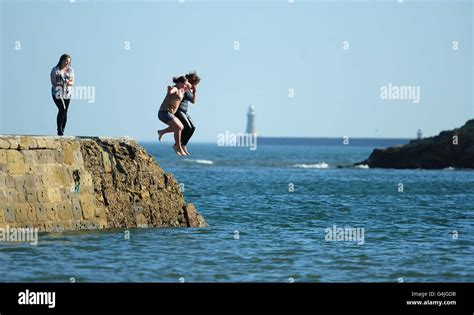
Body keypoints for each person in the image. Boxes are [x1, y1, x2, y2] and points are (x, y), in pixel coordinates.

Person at [157, 76, 189, 156]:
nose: (185, 86)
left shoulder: (181, 90)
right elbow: (170, 92)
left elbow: (188, 86)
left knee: (181, 127)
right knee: (178, 127)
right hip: (164, 112)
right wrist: (169, 90)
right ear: (180, 83)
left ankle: (161, 132)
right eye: (184, 84)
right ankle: (178, 147)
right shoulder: (175, 88)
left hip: (169, 114)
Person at [174, 71, 200, 156]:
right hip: (178, 110)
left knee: (193, 127)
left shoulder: (189, 90)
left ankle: (183, 145)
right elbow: (176, 83)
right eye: (196, 84)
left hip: (184, 111)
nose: (196, 86)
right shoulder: (183, 87)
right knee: (187, 127)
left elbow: (193, 101)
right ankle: (177, 145)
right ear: (191, 81)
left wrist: (194, 92)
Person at [50, 54, 74, 136]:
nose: (67, 63)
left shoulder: (70, 70)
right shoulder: (55, 69)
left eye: (69, 62)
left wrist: (67, 83)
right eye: (66, 61)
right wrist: (61, 84)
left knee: (65, 111)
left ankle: (62, 130)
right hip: (57, 92)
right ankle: (59, 129)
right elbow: (53, 82)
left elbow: (72, 82)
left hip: (67, 93)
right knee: (62, 108)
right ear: (61, 60)